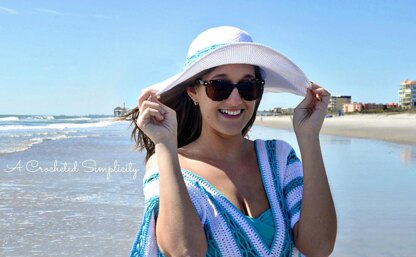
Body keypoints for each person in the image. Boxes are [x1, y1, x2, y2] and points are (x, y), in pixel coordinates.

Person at [125, 26, 337, 257]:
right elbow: (184, 251)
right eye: (219, 87)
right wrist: (165, 144)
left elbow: (319, 248)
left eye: (248, 86)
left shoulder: (279, 157)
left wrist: (309, 137)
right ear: (193, 91)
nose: (235, 99)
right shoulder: (166, 164)